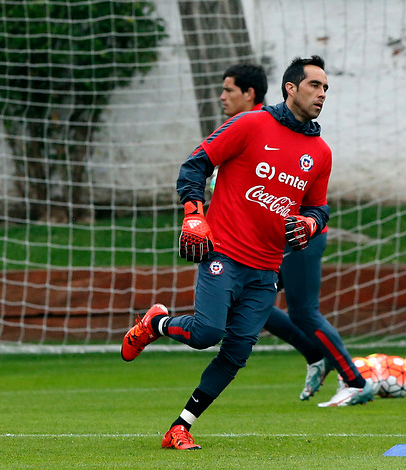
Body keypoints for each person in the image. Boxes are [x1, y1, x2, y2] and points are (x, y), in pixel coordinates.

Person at [121, 56, 370, 451]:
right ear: (291, 88)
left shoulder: (320, 153)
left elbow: (319, 207)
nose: (322, 94)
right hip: (224, 252)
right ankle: (157, 324)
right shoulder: (251, 125)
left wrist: (309, 223)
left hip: (266, 269)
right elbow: (195, 165)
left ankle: (180, 427)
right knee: (207, 333)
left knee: (235, 354)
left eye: (326, 88)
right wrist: (193, 213)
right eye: (315, 86)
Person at [218, 63, 332, 399]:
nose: (222, 97)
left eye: (229, 90)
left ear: (249, 93)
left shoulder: (259, 125)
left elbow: (310, 197)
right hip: (253, 236)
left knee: (299, 310)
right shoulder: (247, 125)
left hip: (292, 236)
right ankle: (316, 357)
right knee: (250, 306)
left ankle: (352, 377)